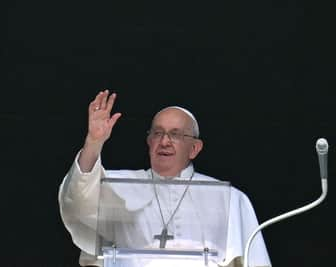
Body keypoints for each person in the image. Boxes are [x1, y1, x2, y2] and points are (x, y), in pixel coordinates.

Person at [59, 90, 271, 267]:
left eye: (176, 134)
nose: (165, 142)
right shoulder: (116, 186)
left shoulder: (231, 200)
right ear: (149, 142)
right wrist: (94, 142)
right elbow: (78, 199)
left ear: (194, 148)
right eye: (158, 134)